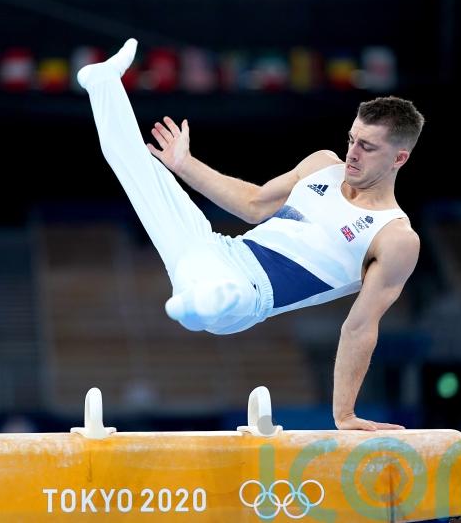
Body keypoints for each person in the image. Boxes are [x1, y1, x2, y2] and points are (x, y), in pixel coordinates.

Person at [77, 39, 424, 431]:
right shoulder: (322, 166)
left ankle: (195, 302)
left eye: (367, 147)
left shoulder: (395, 237)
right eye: (351, 139)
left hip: (249, 296)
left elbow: (359, 327)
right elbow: (254, 203)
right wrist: (184, 165)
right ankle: (103, 85)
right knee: (142, 172)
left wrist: (344, 414)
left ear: (399, 158)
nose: (352, 153)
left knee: (219, 296)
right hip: (216, 250)